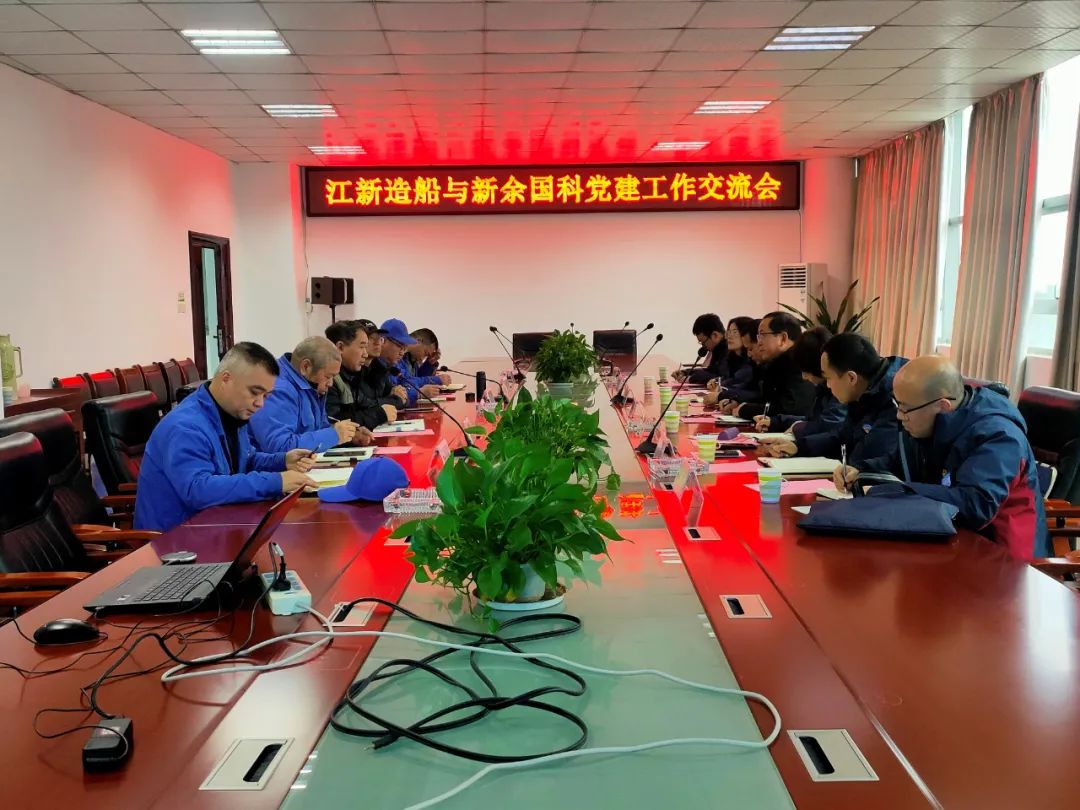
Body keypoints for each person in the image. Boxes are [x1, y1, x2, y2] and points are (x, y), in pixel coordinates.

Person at [843, 356, 1050, 561]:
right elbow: (903, 462)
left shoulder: (999, 436)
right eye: (897, 404)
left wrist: (899, 490)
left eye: (904, 407)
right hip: (950, 544)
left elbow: (975, 506)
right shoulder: (929, 421)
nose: (899, 415)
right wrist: (862, 471)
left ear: (943, 405)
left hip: (1005, 561)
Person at [134, 342, 318, 532]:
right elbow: (198, 489)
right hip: (175, 538)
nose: (260, 404)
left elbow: (245, 460)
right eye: (255, 392)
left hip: (216, 524)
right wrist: (276, 482)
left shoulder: (231, 413)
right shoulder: (185, 427)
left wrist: (282, 461)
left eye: (266, 396)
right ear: (226, 379)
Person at [790, 332, 905, 468]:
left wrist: (853, 471)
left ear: (851, 378)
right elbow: (845, 436)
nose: (827, 385)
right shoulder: (864, 392)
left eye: (828, 378)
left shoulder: (895, 399)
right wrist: (799, 446)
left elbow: (867, 459)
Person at [250, 336, 371, 452]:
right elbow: (280, 446)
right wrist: (334, 435)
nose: (330, 383)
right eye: (328, 376)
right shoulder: (277, 389)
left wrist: (349, 434)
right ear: (306, 366)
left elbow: (317, 430)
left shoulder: (310, 383)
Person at [756, 326, 847, 458]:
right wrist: (777, 421)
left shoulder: (840, 388)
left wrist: (797, 430)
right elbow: (812, 420)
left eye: (806, 370)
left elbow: (830, 426)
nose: (804, 377)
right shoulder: (823, 388)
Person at [725, 312, 815, 420]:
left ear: (783, 338)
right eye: (758, 336)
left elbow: (790, 409)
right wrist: (739, 402)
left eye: (762, 335)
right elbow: (768, 400)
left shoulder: (798, 364)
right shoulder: (776, 364)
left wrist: (746, 409)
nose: (759, 343)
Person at [325, 319, 400, 430]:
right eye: (362, 347)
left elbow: (364, 406)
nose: (365, 354)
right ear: (340, 347)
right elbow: (333, 422)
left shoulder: (355, 374)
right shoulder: (328, 380)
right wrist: (379, 414)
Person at [378, 319, 442, 406]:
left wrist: (429, 364)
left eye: (404, 348)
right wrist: (418, 393)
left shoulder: (405, 360)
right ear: (383, 341)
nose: (402, 352)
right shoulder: (374, 366)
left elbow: (409, 382)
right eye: (399, 346)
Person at [359, 319, 410, 414]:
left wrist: (397, 397)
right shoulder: (354, 371)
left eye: (379, 338)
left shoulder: (380, 368)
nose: (377, 343)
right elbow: (362, 406)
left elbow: (404, 400)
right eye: (370, 338)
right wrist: (392, 399)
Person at [396, 327, 452, 393]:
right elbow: (406, 382)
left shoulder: (411, 357)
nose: (423, 358)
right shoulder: (397, 356)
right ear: (418, 341)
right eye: (425, 353)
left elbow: (418, 379)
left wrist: (429, 363)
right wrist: (436, 380)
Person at [676, 314, 727, 385]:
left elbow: (720, 377)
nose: (703, 346)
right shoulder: (718, 348)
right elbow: (711, 371)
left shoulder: (730, 349)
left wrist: (690, 379)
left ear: (715, 335)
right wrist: (685, 372)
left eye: (703, 342)